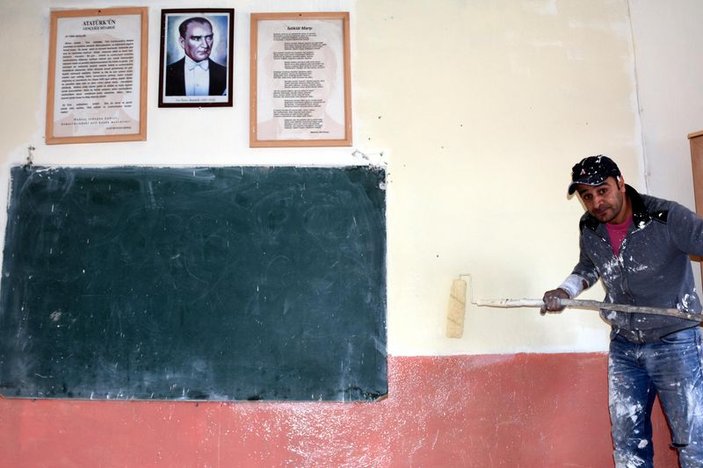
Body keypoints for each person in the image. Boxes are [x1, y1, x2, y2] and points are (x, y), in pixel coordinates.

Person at [541, 155, 703, 467]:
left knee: (693, 443)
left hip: (675, 343)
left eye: (603, 190)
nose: (596, 202)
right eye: (587, 196)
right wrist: (564, 291)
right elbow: (588, 267)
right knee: (628, 444)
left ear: (621, 183)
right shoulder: (590, 226)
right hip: (626, 345)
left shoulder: (664, 216)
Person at [165, 17, 227, 96]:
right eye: (197, 38)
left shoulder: (226, 74)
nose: (205, 45)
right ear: (182, 42)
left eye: (209, 38)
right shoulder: (167, 74)